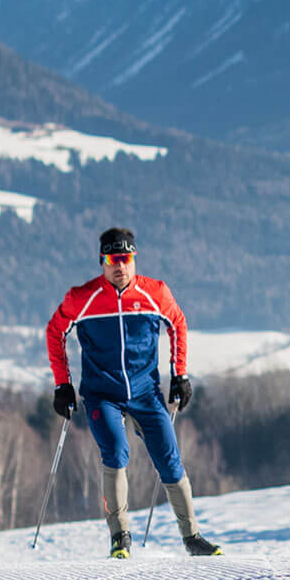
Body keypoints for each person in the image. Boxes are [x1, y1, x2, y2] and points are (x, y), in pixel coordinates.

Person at [45, 225, 220, 559]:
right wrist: (62, 384)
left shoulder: (156, 293)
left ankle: (193, 537)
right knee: (115, 449)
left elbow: (178, 324)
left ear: (134, 259)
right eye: (112, 259)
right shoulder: (83, 298)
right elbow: (55, 331)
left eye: (125, 258)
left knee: (169, 459)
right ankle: (120, 537)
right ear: (102, 262)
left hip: (145, 392)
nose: (119, 266)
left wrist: (180, 374)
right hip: (102, 394)